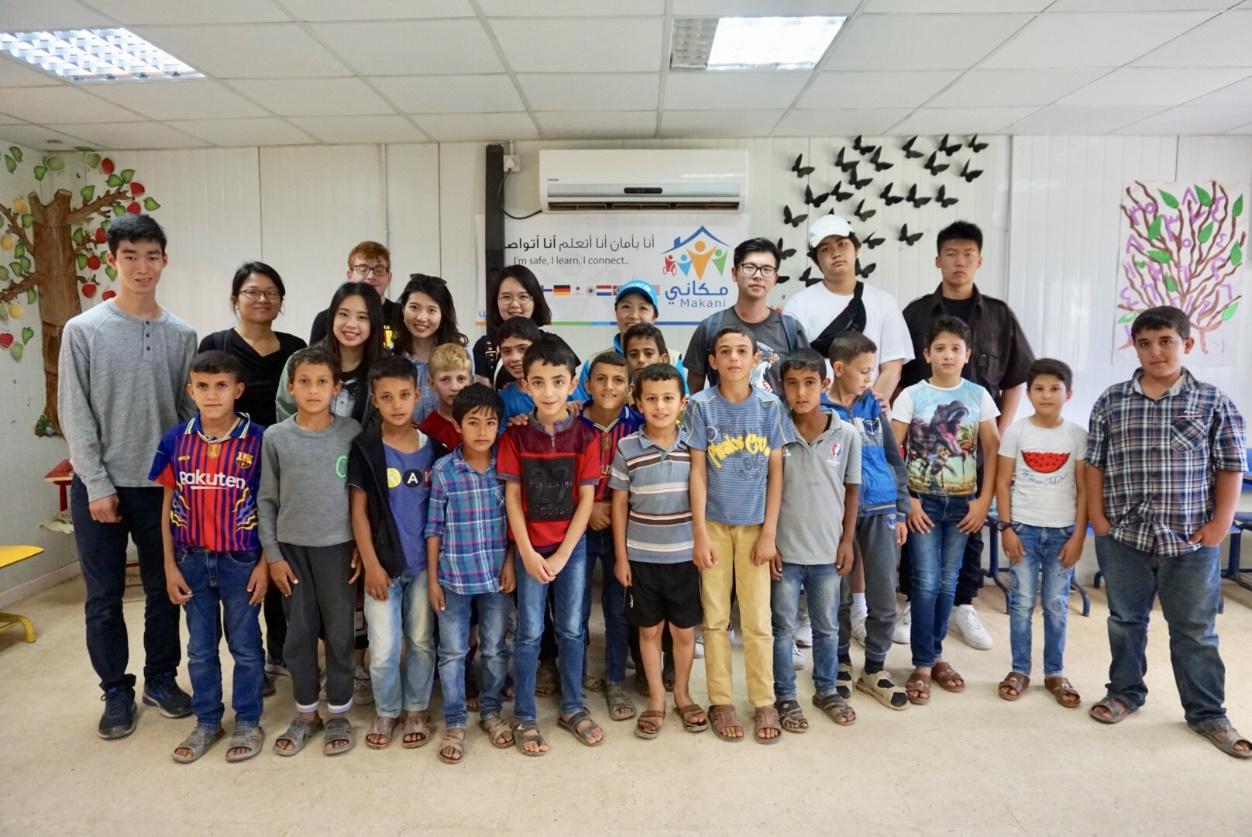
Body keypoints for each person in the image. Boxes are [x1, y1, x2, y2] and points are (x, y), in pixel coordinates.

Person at [1085, 306, 1249, 759]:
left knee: (1195, 630)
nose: (1155, 351)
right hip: (1125, 536)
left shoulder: (1212, 401)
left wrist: (1220, 524)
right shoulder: (1112, 401)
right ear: (1134, 348)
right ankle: (1124, 693)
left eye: (1166, 341)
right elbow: (1094, 463)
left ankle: (1208, 713)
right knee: (1125, 621)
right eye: (1145, 343)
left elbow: (1231, 466)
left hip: (1190, 539)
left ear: (1187, 344)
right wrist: (1099, 519)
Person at [58, 213, 196, 739]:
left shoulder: (181, 334)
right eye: (130, 256)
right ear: (112, 260)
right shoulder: (83, 330)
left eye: (151, 256)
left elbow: (187, 411)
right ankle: (115, 688)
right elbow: (74, 412)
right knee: (104, 596)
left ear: (164, 261)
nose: (142, 267)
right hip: (102, 486)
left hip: (162, 487)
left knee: (165, 590)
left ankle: (160, 678)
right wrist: (96, 484)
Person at [896, 221, 1034, 651]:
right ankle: (914, 603)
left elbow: (1015, 379)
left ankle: (963, 606)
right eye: (951, 253)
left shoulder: (999, 315)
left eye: (968, 254)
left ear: (980, 260)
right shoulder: (915, 313)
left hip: (978, 444)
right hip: (923, 453)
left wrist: (998, 434)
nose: (959, 262)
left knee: (968, 532)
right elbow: (898, 377)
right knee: (918, 532)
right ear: (938, 259)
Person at [152, 351, 268, 763]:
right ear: (190, 391)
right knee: (200, 649)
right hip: (191, 561)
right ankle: (207, 721)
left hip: (242, 561)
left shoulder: (259, 439)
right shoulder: (174, 440)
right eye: (202, 386)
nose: (212, 394)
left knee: (246, 646)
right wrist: (169, 565)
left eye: (221, 386)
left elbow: (269, 505)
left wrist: (265, 563)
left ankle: (249, 720)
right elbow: (167, 506)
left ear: (238, 390)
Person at [198, 261, 305, 691]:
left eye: (271, 293)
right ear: (234, 299)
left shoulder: (294, 347)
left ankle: (281, 650)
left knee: (280, 558)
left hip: (283, 467)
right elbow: (203, 408)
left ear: (281, 301)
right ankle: (251, 661)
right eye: (252, 292)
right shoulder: (217, 344)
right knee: (240, 567)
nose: (262, 299)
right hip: (231, 472)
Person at [498, 336, 602, 755]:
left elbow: (587, 500)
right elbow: (511, 498)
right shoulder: (515, 438)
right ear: (526, 385)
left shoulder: (585, 438)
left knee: (572, 628)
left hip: (570, 550)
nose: (549, 391)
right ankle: (525, 715)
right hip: (530, 551)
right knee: (529, 633)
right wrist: (526, 552)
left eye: (558, 381)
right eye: (538, 382)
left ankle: (573, 706)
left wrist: (562, 554)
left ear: (572, 383)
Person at [891, 316, 1000, 706]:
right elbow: (893, 452)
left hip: (963, 505)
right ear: (927, 354)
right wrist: (908, 501)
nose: (948, 355)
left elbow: (994, 449)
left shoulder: (979, 396)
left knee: (949, 583)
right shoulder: (912, 395)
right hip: (922, 502)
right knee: (924, 582)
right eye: (940, 348)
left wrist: (983, 500)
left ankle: (935, 656)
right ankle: (923, 664)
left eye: (956, 348)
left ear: (968, 354)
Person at [259, 346, 362, 757]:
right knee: (299, 635)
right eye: (304, 382)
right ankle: (305, 712)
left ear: (337, 388)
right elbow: (266, 500)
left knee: (340, 634)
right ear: (291, 387)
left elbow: (362, 498)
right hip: (292, 553)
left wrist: (361, 547)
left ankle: (338, 712)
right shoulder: (275, 437)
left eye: (322, 382)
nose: (313, 390)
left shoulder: (351, 432)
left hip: (339, 550)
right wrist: (273, 556)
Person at [688, 325, 787, 744]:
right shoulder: (700, 406)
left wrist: (769, 533)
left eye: (741, 351)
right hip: (712, 524)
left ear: (754, 359)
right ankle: (721, 700)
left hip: (754, 527)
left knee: (758, 619)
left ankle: (763, 700)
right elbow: (697, 472)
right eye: (724, 351)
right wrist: (699, 533)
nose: (733, 358)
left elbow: (777, 473)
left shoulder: (769, 406)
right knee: (714, 619)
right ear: (712, 360)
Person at [610, 363, 707, 740]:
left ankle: (682, 694)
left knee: (683, 632)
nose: (660, 406)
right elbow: (619, 504)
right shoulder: (627, 448)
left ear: (683, 403)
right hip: (641, 560)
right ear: (638, 403)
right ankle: (655, 699)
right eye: (651, 399)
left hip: (684, 558)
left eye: (668, 398)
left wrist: (702, 543)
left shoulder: (693, 447)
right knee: (648, 631)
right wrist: (621, 558)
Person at [347, 356, 437, 751]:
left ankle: (416, 707)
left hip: (424, 567)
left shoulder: (434, 448)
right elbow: (358, 512)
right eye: (386, 397)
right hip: (383, 566)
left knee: (421, 640)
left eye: (404, 395)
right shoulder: (365, 448)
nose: (396, 404)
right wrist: (370, 564)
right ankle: (386, 710)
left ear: (418, 394)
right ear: (374, 400)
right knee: (383, 647)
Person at [771, 349, 861, 733]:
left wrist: (847, 541)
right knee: (782, 629)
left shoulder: (847, 434)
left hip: (827, 552)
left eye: (809, 383)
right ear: (782, 387)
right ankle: (785, 695)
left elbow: (852, 490)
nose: (801, 392)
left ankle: (826, 689)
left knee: (827, 628)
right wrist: (769, 542)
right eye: (792, 384)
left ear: (825, 384)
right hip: (785, 552)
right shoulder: (775, 432)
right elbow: (766, 492)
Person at [426, 384, 516, 763]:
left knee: (494, 647)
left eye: (490, 423)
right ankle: (455, 720)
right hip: (454, 577)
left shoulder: (506, 468)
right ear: (458, 426)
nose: (482, 431)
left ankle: (491, 711)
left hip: (496, 577)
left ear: (499, 426)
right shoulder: (444, 470)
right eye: (473, 422)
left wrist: (510, 562)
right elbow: (434, 528)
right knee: (452, 651)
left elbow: (515, 522)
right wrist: (432, 580)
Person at [826, 332, 911, 711]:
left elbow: (894, 458)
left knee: (883, 593)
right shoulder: (819, 408)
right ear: (838, 369)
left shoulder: (874, 407)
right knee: (838, 594)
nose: (869, 378)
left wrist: (902, 509)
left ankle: (875, 667)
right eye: (863, 371)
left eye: (872, 370)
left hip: (881, 507)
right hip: (835, 513)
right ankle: (840, 662)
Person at [995, 359, 1087, 708]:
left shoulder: (1077, 435)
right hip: (1023, 531)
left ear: (1069, 393)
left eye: (1054, 389)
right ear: (1029, 393)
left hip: (1063, 532)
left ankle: (1055, 672)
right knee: (1020, 603)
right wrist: (1006, 528)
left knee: (1056, 604)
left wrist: (1079, 536)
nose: (1046, 395)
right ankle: (1019, 669)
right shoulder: (1016, 432)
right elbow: (1002, 483)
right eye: (1038, 389)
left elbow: (1084, 489)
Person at [782, 214, 912, 398]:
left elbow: (892, 367)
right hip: (815, 410)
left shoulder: (884, 302)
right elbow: (790, 366)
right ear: (816, 260)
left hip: (870, 410)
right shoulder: (798, 305)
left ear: (856, 249)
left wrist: (869, 407)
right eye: (825, 249)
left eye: (842, 244)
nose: (836, 253)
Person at [579, 350, 641, 720]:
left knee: (618, 610)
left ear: (629, 388)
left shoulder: (639, 426)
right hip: (579, 529)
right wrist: (588, 510)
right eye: (600, 379)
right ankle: (577, 678)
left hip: (624, 531)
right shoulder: (571, 425)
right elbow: (558, 478)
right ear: (587, 384)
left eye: (618, 380)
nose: (608, 387)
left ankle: (616, 680)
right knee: (576, 609)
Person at [684, 238, 807, 396]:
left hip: (777, 413)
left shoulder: (790, 330)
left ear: (775, 278)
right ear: (734, 273)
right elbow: (693, 396)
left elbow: (804, 387)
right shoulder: (710, 327)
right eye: (749, 267)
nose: (758, 276)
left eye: (767, 269)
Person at [277, 282, 385, 426]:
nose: (351, 324)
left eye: (362, 317)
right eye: (343, 314)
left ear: (374, 322)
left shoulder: (385, 369)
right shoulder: (300, 362)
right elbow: (286, 413)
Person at [473, 265, 575, 390]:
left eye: (523, 297)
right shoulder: (484, 346)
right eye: (506, 297)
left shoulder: (554, 343)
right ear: (496, 301)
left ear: (535, 301)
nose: (515, 304)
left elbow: (570, 389)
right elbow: (482, 396)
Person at [393, 274, 469, 424]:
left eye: (432, 310)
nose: (422, 317)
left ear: (443, 315)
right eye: (414, 307)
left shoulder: (464, 357)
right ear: (403, 309)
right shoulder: (391, 359)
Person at [572, 279, 659, 401]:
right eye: (626, 307)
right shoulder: (594, 362)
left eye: (643, 308)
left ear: (654, 316)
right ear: (616, 312)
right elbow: (581, 406)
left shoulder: (672, 359)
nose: (634, 315)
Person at [309, 241, 401, 349]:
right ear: (350, 275)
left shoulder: (402, 316)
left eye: (379, 270)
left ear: (389, 278)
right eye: (362, 269)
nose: (371, 276)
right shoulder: (326, 318)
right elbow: (313, 357)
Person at [418, 342, 474, 454]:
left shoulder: (483, 422)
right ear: (432, 384)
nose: (454, 387)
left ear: (471, 381)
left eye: (461, 379)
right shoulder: (426, 431)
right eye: (445, 379)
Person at [493, 316, 543, 424]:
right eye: (507, 351)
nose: (515, 358)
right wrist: (512, 429)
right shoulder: (503, 399)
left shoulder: (564, 388)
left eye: (523, 349)